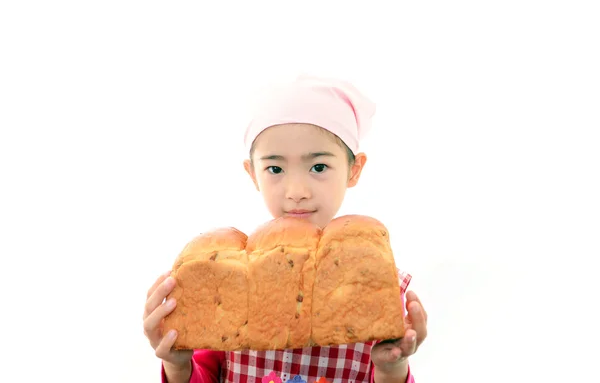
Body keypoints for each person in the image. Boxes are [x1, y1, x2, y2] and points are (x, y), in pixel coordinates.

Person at [143, 75, 428, 383]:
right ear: (253, 174)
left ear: (354, 169)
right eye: (275, 169)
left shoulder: (375, 285)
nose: (296, 191)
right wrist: (177, 365)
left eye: (318, 167)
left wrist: (392, 368)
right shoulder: (223, 281)